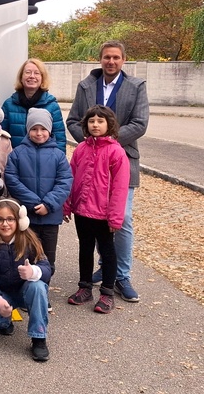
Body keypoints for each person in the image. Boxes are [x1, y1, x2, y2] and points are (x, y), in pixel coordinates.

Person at [65, 40, 149, 302]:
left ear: (123, 59)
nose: (111, 61)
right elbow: (73, 120)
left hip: (122, 157)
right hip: (91, 159)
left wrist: (110, 140)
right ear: (100, 59)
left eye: (116, 57)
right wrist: (90, 143)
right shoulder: (86, 86)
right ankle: (101, 271)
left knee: (120, 218)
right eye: (106, 57)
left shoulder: (136, 86)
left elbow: (140, 123)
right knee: (92, 220)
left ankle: (122, 276)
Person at [64, 106, 129, 314]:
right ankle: (84, 287)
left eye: (100, 121)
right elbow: (71, 178)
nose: (95, 125)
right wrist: (67, 204)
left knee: (108, 251)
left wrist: (115, 217)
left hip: (104, 215)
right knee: (85, 248)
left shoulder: (116, 152)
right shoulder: (81, 149)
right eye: (92, 121)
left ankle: (107, 292)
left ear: (109, 124)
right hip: (82, 211)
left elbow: (119, 188)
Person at [0, 198, 51, 362]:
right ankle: (5, 321)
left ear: (20, 221)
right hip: (4, 294)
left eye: (10, 219)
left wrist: (33, 271)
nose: (5, 224)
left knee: (37, 286)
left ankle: (39, 337)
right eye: (0, 219)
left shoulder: (29, 240)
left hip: (26, 291)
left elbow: (47, 268)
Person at [4, 108, 72, 285]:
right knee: (25, 254)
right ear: (28, 130)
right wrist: (34, 203)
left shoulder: (58, 155)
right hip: (27, 216)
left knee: (47, 258)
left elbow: (64, 181)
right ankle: (26, 290)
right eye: (34, 128)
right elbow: (12, 179)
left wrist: (48, 204)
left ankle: (42, 290)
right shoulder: (17, 153)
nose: (39, 133)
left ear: (49, 130)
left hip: (50, 217)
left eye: (43, 129)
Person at [1, 58, 66, 153]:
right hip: (16, 162)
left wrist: (58, 164)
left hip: (44, 161)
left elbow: (59, 139)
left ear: (42, 78)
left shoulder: (52, 106)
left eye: (36, 73)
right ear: (21, 77)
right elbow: (2, 138)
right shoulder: (9, 105)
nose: (32, 76)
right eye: (28, 72)